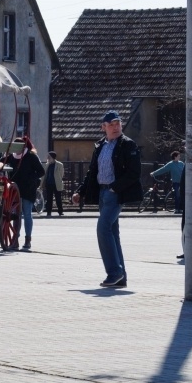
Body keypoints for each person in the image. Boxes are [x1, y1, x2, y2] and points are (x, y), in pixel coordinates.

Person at [72, 110, 143, 288]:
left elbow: (134, 173)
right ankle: (121, 277)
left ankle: (114, 272)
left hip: (115, 193)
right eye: (111, 124)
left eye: (118, 123)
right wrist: (80, 191)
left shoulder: (128, 144)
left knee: (103, 228)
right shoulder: (100, 146)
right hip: (103, 194)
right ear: (103, 127)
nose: (116, 127)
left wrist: (114, 188)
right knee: (112, 233)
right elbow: (92, 173)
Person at [6, 136, 44, 250]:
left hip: (28, 189)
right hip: (15, 191)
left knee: (27, 214)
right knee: (15, 215)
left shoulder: (31, 156)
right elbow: (1, 162)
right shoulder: (11, 157)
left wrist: (31, 179)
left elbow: (41, 171)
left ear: (23, 147)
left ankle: (28, 240)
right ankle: (15, 239)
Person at [41, 151, 65, 217]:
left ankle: (60, 211)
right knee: (49, 199)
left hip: (56, 183)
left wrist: (58, 179)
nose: (48, 158)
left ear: (53, 157)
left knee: (58, 198)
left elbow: (61, 174)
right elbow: (45, 175)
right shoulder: (47, 165)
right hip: (49, 183)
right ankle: (49, 212)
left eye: (49, 156)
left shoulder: (59, 164)